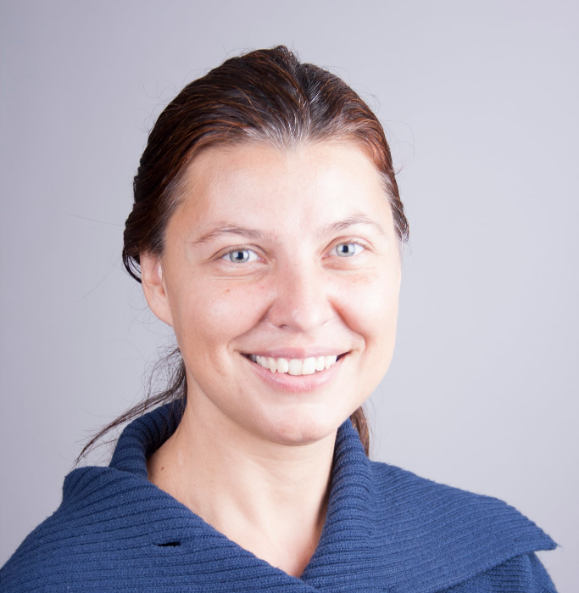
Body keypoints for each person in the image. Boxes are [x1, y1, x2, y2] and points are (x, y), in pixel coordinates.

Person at [0, 46, 558, 592]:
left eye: (346, 248)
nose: (303, 311)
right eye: (240, 254)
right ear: (158, 279)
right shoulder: (50, 583)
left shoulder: (497, 572)